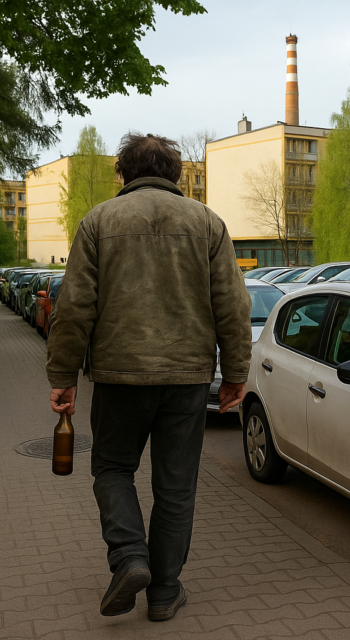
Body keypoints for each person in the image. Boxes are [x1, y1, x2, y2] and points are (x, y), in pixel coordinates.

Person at [45, 132, 252, 622]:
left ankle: (129, 557)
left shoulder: (98, 221)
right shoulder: (207, 223)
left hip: (119, 377)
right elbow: (233, 306)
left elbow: (74, 308)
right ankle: (164, 591)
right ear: (175, 173)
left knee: (113, 469)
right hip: (187, 379)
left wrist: (63, 374)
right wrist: (236, 373)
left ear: (124, 173)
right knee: (176, 488)